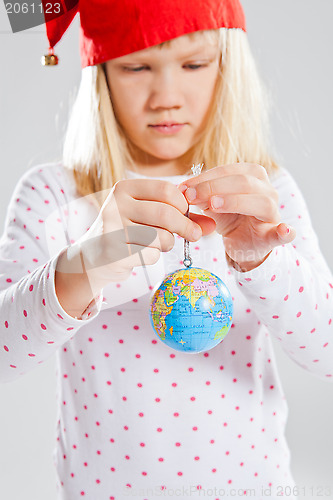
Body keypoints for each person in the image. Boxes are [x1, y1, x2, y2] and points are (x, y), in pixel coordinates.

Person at [1, 0, 332, 498]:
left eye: (195, 64)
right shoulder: (53, 194)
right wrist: (87, 262)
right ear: (101, 73)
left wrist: (260, 260)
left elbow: (325, 352)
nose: (166, 97)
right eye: (136, 66)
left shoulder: (263, 192)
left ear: (227, 63)